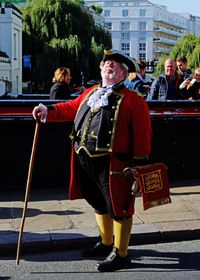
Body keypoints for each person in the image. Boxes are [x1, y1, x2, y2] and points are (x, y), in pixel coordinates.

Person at [32, 49, 152, 272]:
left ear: (124, 74)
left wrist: (139, 165)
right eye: (107, 62)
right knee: (97, 201)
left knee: (120, 206)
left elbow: (143, 135)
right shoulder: (90, 93)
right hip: (85, 159)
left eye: (116, 65)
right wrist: (46, 109)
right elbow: (69, 107)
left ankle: (121, 253)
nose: (110, 66)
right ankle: (106, 242)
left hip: (115, 164)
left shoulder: (133, 100)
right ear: (100, 67)